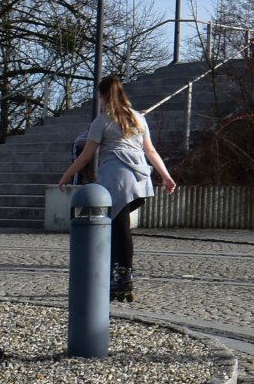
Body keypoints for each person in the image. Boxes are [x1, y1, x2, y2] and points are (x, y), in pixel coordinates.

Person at [57, 75, 177, 303]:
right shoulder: (138, 118)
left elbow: (86, 154)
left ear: (102, 95)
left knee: (118, 228)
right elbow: (151, 151)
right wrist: (166, 175)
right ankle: (118, 276)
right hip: (140, 179)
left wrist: (67, 175)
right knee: (116, 228)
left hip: (116, 179)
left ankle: (122, 278)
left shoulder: (103, 121)